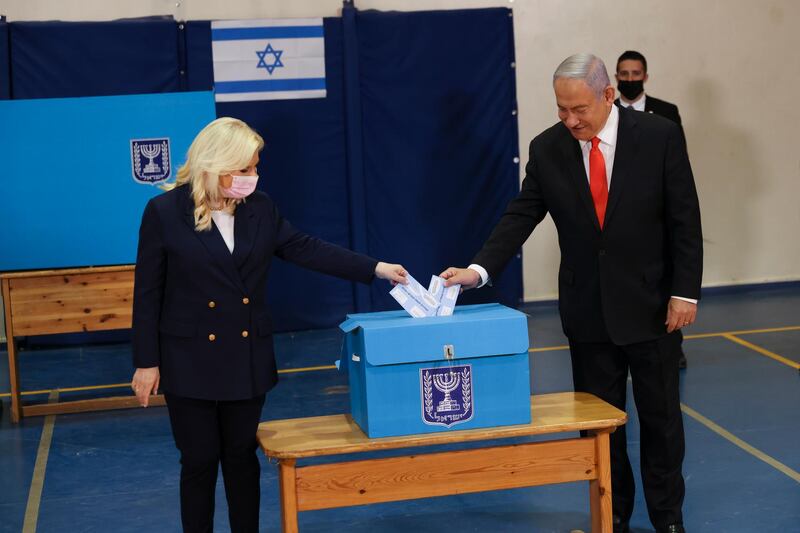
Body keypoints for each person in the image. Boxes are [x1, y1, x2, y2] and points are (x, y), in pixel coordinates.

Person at [441, 54, 702, 533]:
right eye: (561, 109)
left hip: (653, 308)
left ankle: (668, 520)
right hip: (589, 312)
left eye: (579, 109)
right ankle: (614, 514)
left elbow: (685, 219)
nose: (570, 120)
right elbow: (522, 214)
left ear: (607, 95)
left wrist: (684, 293)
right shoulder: (548, 148)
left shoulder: (658, 136)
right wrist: (478, 270)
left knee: (662, 423)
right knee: (600, 428)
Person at [130, 117, 407, 533]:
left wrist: (377, 268)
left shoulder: (261, 209)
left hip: (245, 356)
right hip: (188, 359)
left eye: (256, 167)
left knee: (241, 457)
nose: (252, 177)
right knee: (200, 459)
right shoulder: (164, 212)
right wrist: (146, 362)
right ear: (215, 163)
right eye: (244, 169)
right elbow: (148, 292)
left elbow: (307, 249)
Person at [615, 50, 689, 368]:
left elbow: (679, 161)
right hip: (619, 212)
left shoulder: (666, 112)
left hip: (659, 208)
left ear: (646, 76)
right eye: (624, 74)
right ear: (616, 77)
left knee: (666, 275)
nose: (630, 79)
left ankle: (673, 342)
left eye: (636, 74)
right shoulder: (608, 112)